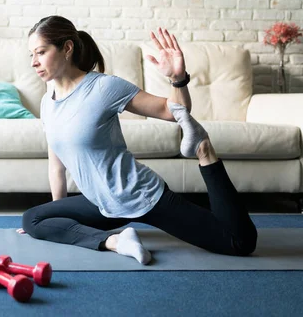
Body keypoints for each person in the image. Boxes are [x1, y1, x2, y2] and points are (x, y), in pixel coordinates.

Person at [21, 15, 258, 265]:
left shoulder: (103, 88)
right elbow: (56, 165)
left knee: (240, 242)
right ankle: (116, 241)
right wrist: (59, 221)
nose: (34, 63)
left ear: (67, 48)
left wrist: (177, 78)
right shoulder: (48, 103)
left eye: (41, 52)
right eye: (31, 55)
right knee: (32, 219)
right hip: (100, 203)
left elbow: (173, 110)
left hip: (140, 195)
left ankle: (205, 151)